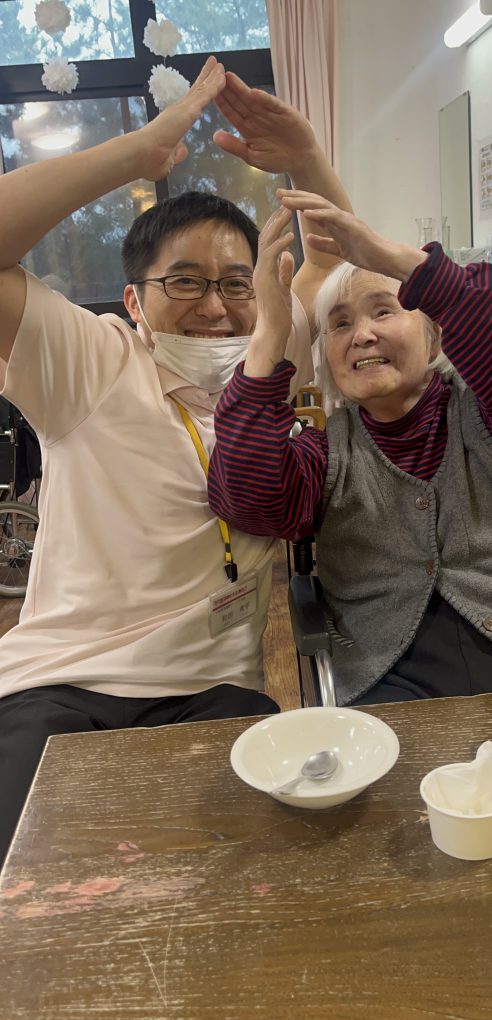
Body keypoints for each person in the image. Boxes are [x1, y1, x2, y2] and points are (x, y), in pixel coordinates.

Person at [0, 60, 353, 863]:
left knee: (259, 886)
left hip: (214, 696)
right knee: (29, 897)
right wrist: (138, 152)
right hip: (61, 688)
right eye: (185, 282)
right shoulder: (91, 361)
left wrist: (306, 157)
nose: (216, 308)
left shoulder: (269, 353)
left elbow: (341, 262)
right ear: (134, 301)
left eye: (236, 284)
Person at [208, 191, 492, 707]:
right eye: (340, 324)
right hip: (387, 678)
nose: (362, 335)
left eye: (384, 310)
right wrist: (269, 332)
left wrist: (396, 260)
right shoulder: (325, 454)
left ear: (433, 339)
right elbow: (249, 500)